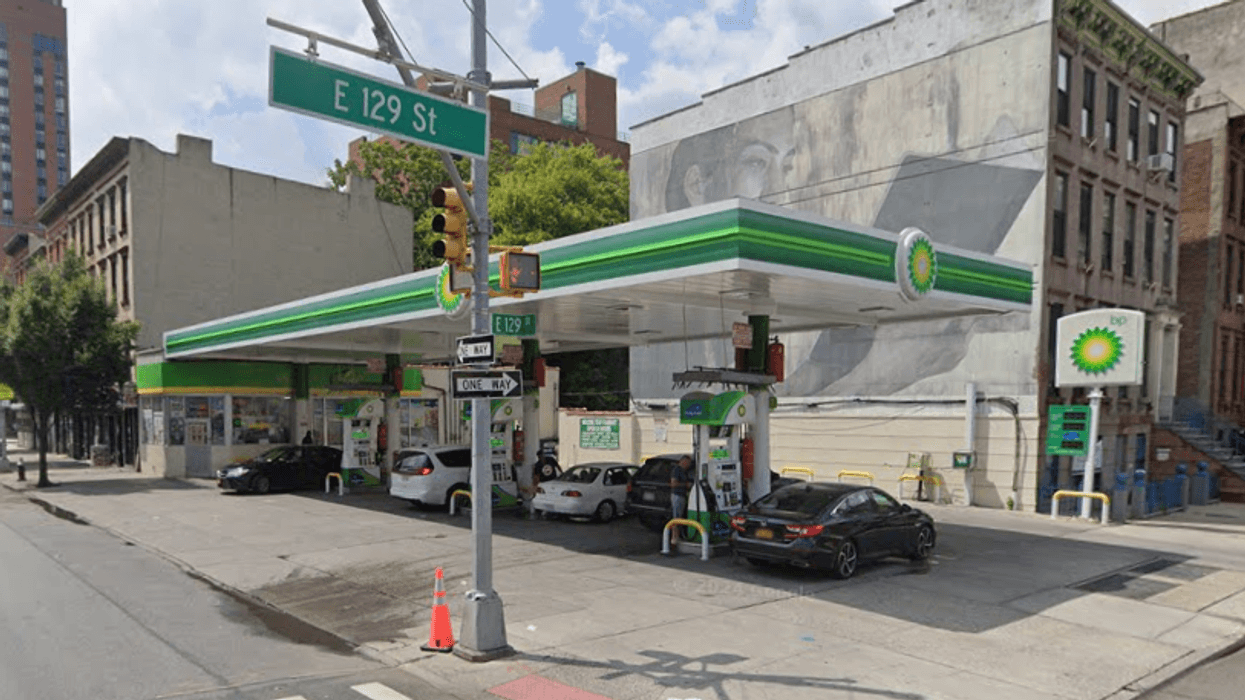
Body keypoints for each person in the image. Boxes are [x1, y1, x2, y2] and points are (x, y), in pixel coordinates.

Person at [669, 455, 693, 545]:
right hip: (677, 496)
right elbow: (673, 483)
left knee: (679, 516)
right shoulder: (676, 470)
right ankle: (674, 538)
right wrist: (685, 485)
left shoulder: (685, 471)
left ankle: (678, 536)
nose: (689, 465)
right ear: (683, 461)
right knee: (676, 517)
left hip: (682, 495)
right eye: (688, 463)